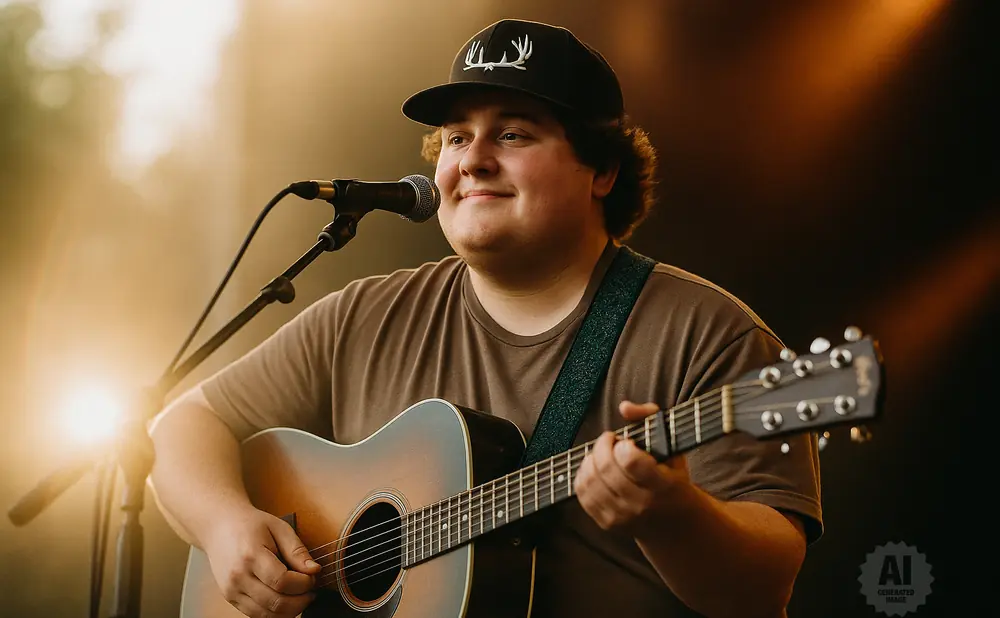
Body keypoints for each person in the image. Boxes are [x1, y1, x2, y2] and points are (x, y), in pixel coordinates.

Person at [149, 18, 822, 618]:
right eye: (455, 137)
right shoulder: (364, 316)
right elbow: (181, 426)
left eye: (513, 133)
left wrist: (673, 517)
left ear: (603, 170)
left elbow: (765, 592)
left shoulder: (708, 333)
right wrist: (225, 527)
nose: (472, 159)